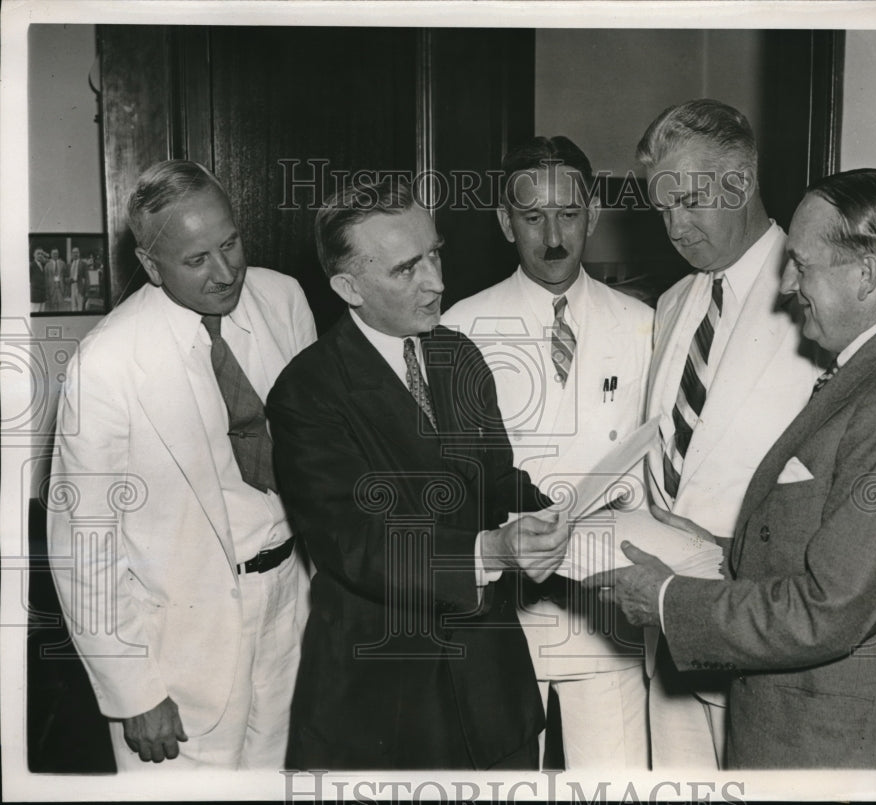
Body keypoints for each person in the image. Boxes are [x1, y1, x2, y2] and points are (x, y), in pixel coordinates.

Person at [593, 168, 876, 769]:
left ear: (867, 276)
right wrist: (720, 546)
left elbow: (829, 610)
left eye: (802, 265)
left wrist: (667, 600)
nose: (787, 284)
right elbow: (835, 541)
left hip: (843, 749)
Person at [267, 175, 570, 770]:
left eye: (435, 254)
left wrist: (560, 511)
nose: (437, 282)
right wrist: (489, 551)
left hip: (493, 693)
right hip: (386, 701)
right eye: (407, 269)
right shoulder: (308, 392)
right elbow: (357, 544)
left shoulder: (458, 354)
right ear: (348, 287)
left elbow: (496, 480)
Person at [47, 160, 316, 770]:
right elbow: (85, 541)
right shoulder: (108, 363)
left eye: (231, 244)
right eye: (196, 260)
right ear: (150, 265)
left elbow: (314, 454)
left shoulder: (283, 299)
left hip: (291, 610)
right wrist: (133, 690)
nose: (226, 273)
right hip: (180, 649)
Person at [442, 136, 653, 768]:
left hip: (606, 605)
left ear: (591, 214)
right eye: (533, 218)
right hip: (504, 611)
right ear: (506, 223)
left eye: (567, 215)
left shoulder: (642, 324)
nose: (553, 237)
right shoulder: (459, 328)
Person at [635, 98, 822, 766]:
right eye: (662, 209)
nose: (676, 227)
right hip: (670, 625)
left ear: (741, 182)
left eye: (690, 200)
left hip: (766, 629)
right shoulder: (675, 301)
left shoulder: (817, 296)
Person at [44, 247, 67, 311]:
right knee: (52, 307)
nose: (55, 255)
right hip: (51, 289)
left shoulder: (62, 263)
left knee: (61, 307)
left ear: (58, 254)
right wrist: (47, 291)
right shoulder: (47, 265)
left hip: (60, 288)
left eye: (56, 253)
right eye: (54, 253)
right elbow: (45, 279)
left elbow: (65, 277)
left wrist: (65, 290)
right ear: (51, 254)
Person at [67, 246, 84, 311]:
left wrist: (86, 291)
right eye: (74, 252)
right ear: (72, 254)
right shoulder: (70, 264)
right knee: (73, 306)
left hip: (79, 285)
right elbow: (68, 276)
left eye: (76, 252)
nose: (75, 254)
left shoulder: (83, 264)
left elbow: (87, 278)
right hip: (72, 286)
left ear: (79, 253)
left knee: (80, 306)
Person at [30, 247, 47, 312]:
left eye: (42, 254)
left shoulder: (42, 265)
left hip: (42, 297)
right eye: (38, 253)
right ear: (34, 255)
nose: (40, 255)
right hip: (35, 298)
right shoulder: (31, 266)